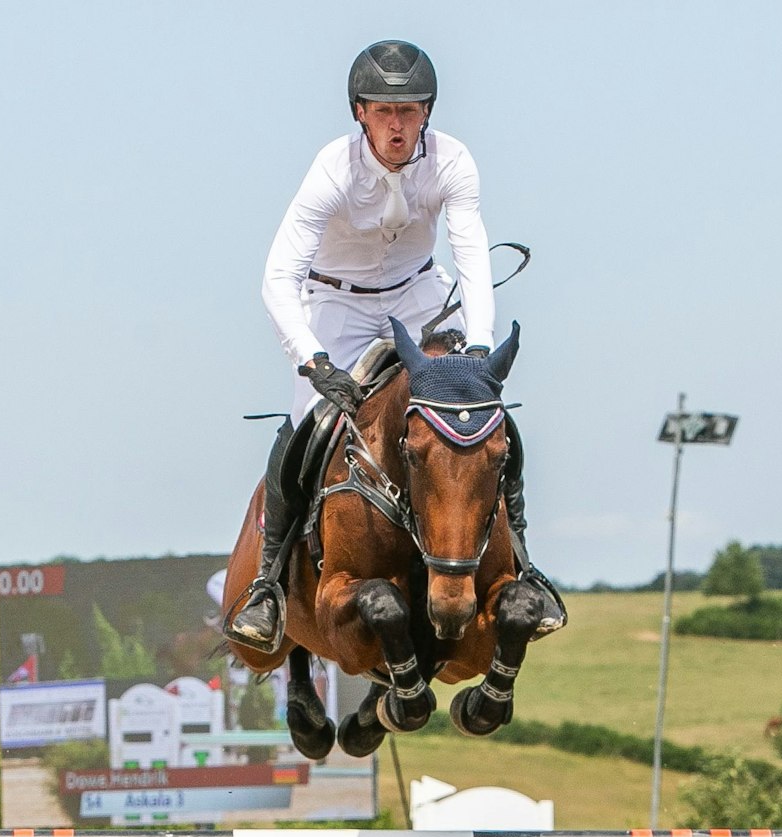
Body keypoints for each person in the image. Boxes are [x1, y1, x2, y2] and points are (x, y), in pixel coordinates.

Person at [224, 39, 563, 653]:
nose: (397, 125)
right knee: (306, 423)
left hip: (417, 298)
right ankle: (270, 584)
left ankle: (525, 565)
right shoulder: (332, 168)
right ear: (360, 113)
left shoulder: (454, 162)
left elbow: (469, 256)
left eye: (409, 111)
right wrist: (312, 359)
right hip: (335, 306)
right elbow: (278, 278)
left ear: (427, 112)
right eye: (383, 111)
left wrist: (481, 351)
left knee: (477, 421)